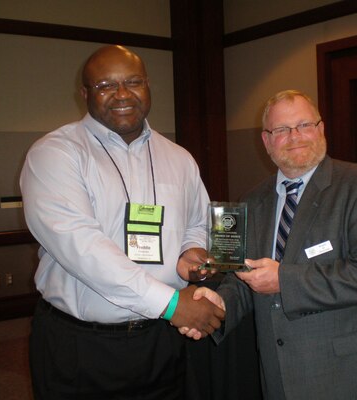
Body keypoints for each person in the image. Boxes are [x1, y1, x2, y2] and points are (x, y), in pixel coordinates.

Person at [20, 45, 224, 400]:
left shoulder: (178, 157)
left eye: (133, 82)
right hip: (83, 345)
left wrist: (192, 250)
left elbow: (197, 220)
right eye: (105, 86)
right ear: (84, 94)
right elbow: (83, 248)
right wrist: (174, 304)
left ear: (147, 86)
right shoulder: (55, 154)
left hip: (162, 338)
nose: (122, 94)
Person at [182, 90, 357, 399]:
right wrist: (220, 305)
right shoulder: (252, 200)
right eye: (282, 130)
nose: (295, 136)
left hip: (353, 373)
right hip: (280, 373)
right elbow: (244, 277)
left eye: (304, 125)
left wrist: (282, 280)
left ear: (321, 129)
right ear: (266, 140)